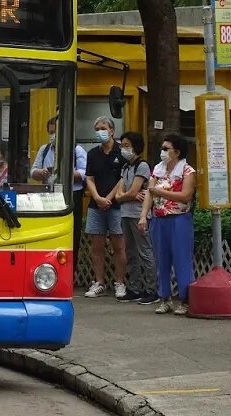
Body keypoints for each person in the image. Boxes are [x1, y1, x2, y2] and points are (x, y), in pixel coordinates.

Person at [139, 133, 197, 316]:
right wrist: (143, 216)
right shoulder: (157, 169)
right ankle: (164, 298)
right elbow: (149, 193)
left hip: (179, 220)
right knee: (161, 261)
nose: (162, 151)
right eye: (162, 148)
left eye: (166, 149)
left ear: (177, 151)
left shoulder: (187, 171)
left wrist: (160, 193)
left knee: (182, 260)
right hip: (159, 219)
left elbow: (186, 195)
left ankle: (185, 300)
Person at [84, 116, 128, 299]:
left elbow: (123, 178)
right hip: (95, 205)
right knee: (97, 247)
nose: (100, 132)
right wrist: (97, 197)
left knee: (119, 245)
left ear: (111, 130)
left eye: (103, 128)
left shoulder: (122, 152)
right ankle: (99, 282)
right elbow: (89, 178)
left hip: (117, 205)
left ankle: (120, 282)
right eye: (97, 129)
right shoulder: (92, 153)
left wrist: (108, 198)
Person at [112, 131, 158, 304]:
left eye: (127, 145)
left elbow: (130, 191)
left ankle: (152, 289)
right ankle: (135, 287)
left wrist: (126, 195)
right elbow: (119, 194)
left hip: (139, 214)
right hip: (125, 213)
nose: (124, 149)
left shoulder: (142, 166)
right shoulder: (126, 167)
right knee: (130, 252)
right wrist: (126, 196)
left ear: (136, 146)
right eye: (122, 145)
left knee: (145, 251)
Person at [31, 116, 87, 257]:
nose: (53, 135)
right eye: (50, 132)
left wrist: (64, 172)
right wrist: (41, 172)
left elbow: (84, 173)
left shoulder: (77, 149)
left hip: (71, 196)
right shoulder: (44, 149)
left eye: (55, 132)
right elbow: (33, 171)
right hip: (48, 196)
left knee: (71, 235)